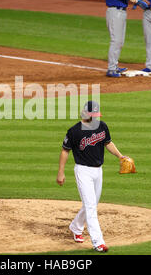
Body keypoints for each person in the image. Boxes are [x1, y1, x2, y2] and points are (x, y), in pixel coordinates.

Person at [56, 101, 128, 252]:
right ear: (85, 113)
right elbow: (65, 151)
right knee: (90, 206)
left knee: (92, 204)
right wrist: (61, 172)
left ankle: (75, 227)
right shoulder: (74, 131)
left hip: (98, 171)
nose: (95, 118)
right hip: (83, 171)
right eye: (93, 115)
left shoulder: (102, 126)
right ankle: (98, 242)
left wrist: (120, 156)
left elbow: (108, 143)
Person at [104, 0, 138, 78]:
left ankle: (115, 65)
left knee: (120, 42)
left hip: (122, 12)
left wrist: (134, 0)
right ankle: (111, 69)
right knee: (116, 40)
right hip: (114, 12)